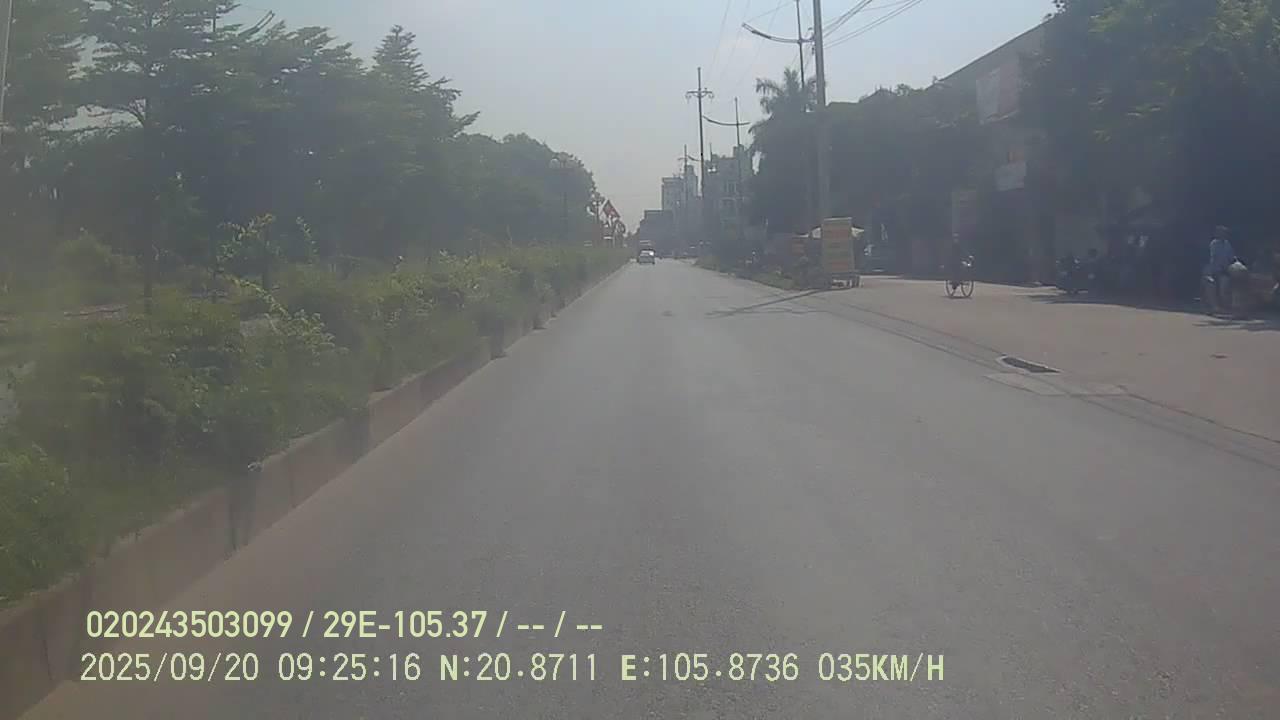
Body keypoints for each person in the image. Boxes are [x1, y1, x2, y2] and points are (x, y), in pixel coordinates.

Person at [1207, 225, 1236, 307]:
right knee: (1221, 284)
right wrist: (1220, 267)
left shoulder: (1227, 243)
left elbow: (1231, 256)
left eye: (1225, 233)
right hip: (1217, 269)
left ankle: (1228, 303)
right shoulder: (1214, 243)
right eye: (1222, 233)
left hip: (1227, 269)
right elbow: (1214, 257)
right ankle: (1219, 304)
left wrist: (1235, 261)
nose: (1224, 234)